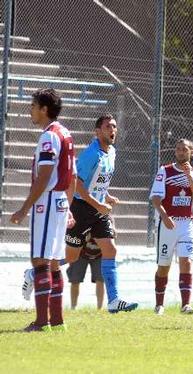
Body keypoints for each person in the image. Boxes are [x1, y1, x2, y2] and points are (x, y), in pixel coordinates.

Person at [11, 88, 76, 332]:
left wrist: (25, 208)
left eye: (33, 105)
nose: (31, 110)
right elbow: (73, 176)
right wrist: (67, 206)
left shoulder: (49, 136)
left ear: (44, 109)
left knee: (40, 260)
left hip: (47, 202)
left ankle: (41, 322)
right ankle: (57, 321)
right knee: (54, 263)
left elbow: (46, 174)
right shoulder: (66, 133)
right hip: (59, 201)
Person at [64, 114, 138, 313]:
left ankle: (114, 301)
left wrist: (107, 196)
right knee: (71, 256)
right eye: (107, 127)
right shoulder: (91, 154)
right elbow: (78, 185)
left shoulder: (112, 152)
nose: (112, 130)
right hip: (81, 209)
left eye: (114, 126)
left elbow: (97, 183)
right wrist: (98, 204)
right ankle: (35, 271)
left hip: (97, 209)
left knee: (110, 249)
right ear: (97, 132)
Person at [150, 139, 193, 315]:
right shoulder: (165, 170)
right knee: (164, 266)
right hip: (168, 223)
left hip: (187, 224)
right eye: (179, 149)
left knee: (186, 262)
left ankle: (185, 305)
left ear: (192, 152)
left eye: (185, 149)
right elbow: (156, 198)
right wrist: (164, 216)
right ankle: (159, 304)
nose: (181, 152)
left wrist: (189, 176)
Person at [66, 227, 110, 310]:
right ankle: (73, 307)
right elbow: (72, 236)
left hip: (99, 255)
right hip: (81, 254)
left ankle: (99, 308)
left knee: (100, 280)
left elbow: (113, 235)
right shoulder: (84, 218)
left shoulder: (107, 219)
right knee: (75, 280)